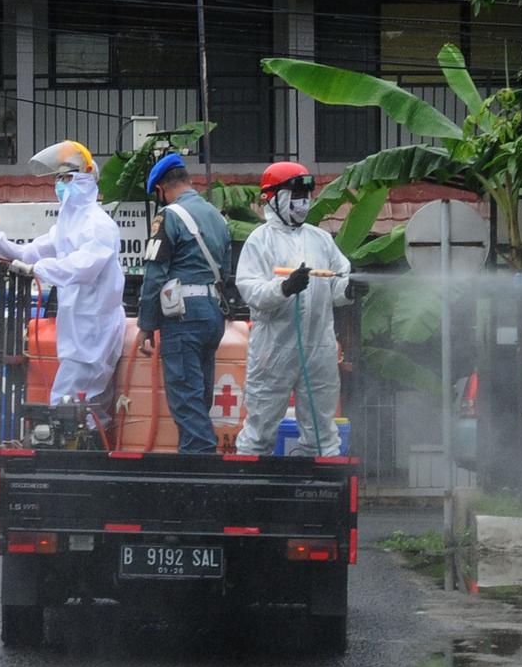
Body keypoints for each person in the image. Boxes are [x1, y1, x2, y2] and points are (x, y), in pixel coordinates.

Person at [0, 140, 125, 409]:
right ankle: (84, 449)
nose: (60, 184)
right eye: (58, 178)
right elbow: (29, 252)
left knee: (69, 407)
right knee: (79, 409)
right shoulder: (66, 224)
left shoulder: (99, 225)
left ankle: (75, 451)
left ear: (86, 179)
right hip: (78, 332)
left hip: (95, 332)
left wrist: (39, 269)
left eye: (66, 177)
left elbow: (82, 267)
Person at [235, 161, 362, 457]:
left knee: (322, 434)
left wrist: (350, 289)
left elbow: (336, 283)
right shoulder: (259, 241)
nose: (302, 202)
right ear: (274, 198)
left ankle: (319, 493)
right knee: (259, 432)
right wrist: (284, 288)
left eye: (306, 194)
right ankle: (247, 488)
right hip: (274, 350)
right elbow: (250, 290)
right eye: (294, 194)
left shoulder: (320, 240)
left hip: (318, 349)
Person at [136, 153, 232, 454]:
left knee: (186, 400)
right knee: (199, 396)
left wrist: (146, 326)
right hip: (212, 314)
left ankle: (200, 471)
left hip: (183, 319)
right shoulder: (216, 216)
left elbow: (154, 275)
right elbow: (225, 271)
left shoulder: (169, 216)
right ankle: (193, 459)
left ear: (161, 190)